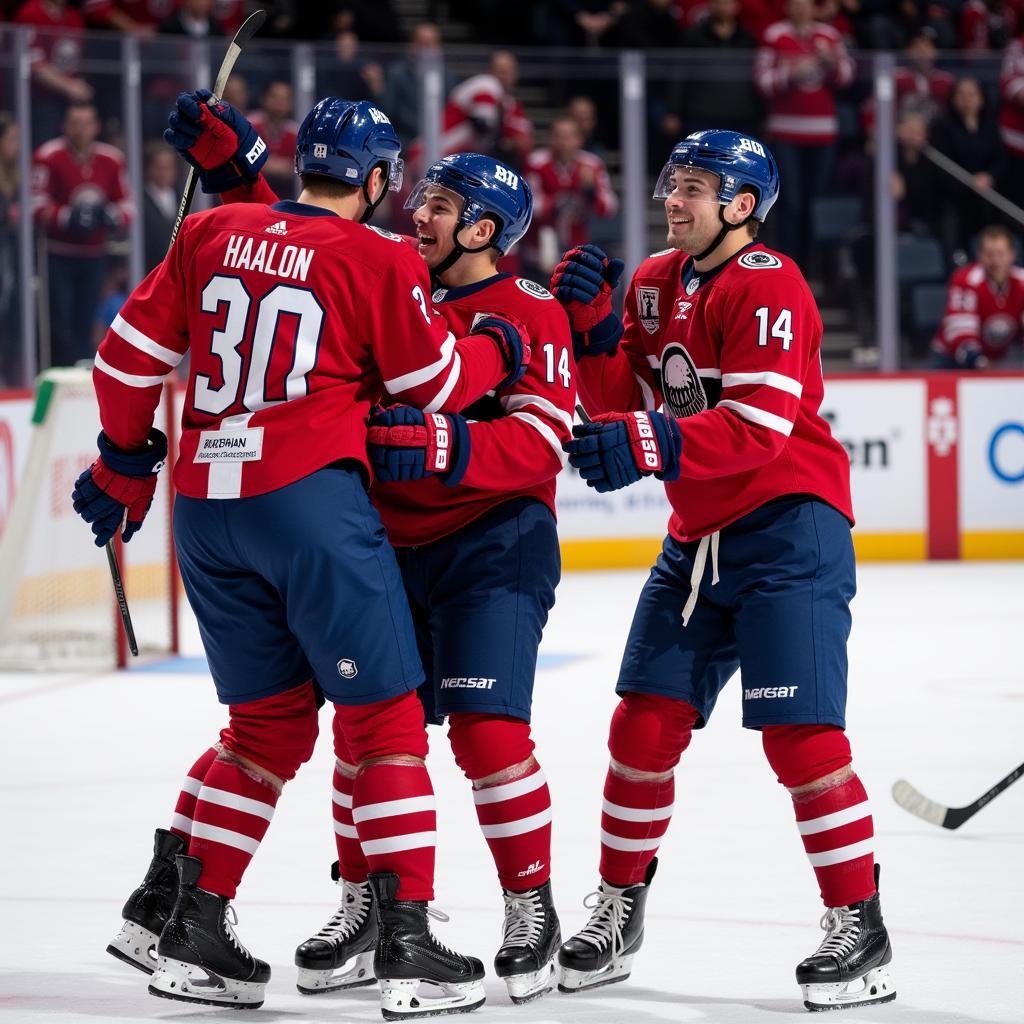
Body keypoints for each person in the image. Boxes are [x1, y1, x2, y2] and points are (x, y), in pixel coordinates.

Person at [79, 93, 531, 1018]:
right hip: (311, 506)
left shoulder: (210, 231)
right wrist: (498, 349)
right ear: (372, 180)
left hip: (207, 510)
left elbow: (124, 362)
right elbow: (433, 385)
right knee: (386, 719)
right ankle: (407, 944)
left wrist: (126, 458)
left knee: (268, 726)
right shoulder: (381, 255)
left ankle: (190, 921)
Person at [549, 129, 896, 1011]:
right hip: (697, 543)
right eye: (673, 183)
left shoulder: (769, 284)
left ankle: (859, 923)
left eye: (696, 188)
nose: (675, 199)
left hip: (790, 535)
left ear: (742, 206)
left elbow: (758, 428)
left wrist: (647, 439)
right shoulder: (657, 282)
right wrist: (591, 335)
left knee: (803, 741)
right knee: (641, 726)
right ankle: (619, 907)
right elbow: (619, 404)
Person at [31, 102, 133, 367]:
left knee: (87, 319)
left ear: (96, 126)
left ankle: (79, 372)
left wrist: (110, 215)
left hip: (94, 255)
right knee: (59, 319)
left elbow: (128, 206)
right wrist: (67, 217)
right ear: (65, 126)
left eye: (86, 123)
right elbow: (36, 203)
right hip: (57, 254)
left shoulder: (111, 159)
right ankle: (56, 371)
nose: (80, 130)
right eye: (74, 123)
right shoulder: (48, 155)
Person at [754, 0, 854, 265]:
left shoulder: (829, 35)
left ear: (814, 8)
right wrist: (790, 74)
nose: (801, 9)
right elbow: (762, 81)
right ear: (787, 8)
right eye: (795, 4)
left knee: (817, 204)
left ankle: (815, 268)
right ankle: (787, 264)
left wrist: (829, 62)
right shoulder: (776, 35)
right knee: (791, 203)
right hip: (786, 132)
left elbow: (847, 77)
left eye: (806, 4)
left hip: (823, 134)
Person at [525, 115, 618, 274]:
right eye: (558, 136)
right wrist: (555, 205)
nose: (563, 142)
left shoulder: (592, 164)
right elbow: (529, 204)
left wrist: (591, 191)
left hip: (579, 246)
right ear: (551, 138)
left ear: (579, 139)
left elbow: (610, 207)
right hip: (541, 246)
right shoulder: (536, 162)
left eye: (568, 137)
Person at [931, 224, 1024, 369]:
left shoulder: (1021, 282)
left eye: (1001, 254)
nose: (995, 261)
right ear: (980, 255)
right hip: (952, 361)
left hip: (998, 359)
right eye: (989, 254)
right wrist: (979, 362)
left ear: (1012, 254)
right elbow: (960, 333)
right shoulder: (965, 280)